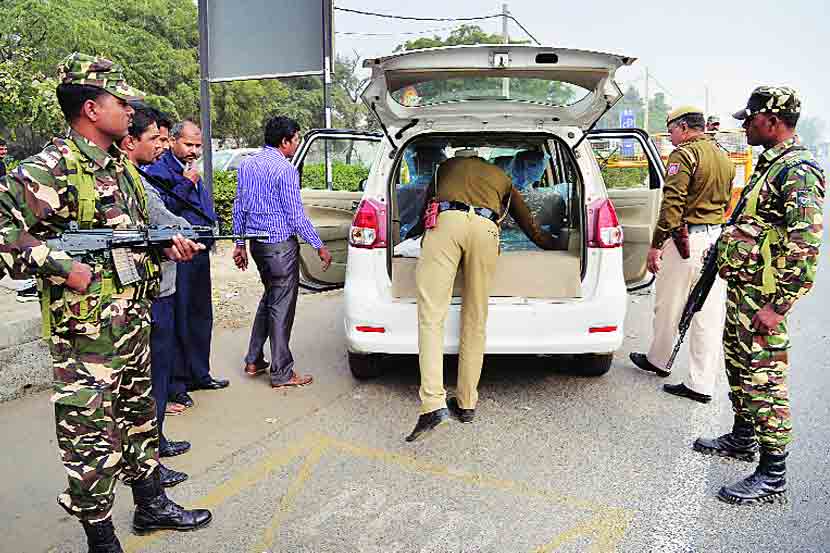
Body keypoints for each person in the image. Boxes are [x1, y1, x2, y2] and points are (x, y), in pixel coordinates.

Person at [0, 52, 211, 553]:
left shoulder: (122, 169)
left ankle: (151, 503)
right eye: (121, 102)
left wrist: (164, 244)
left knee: (139, 416)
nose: (130, 112)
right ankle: (101, 536)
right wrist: (63, 268)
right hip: (87, 336)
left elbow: (132, 235)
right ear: (92, 109)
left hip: (132, 318)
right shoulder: (48, 170)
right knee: (90, 433)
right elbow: (6, 234)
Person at [695, 86, 824, 505]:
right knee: (738, 366)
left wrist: (778, 305)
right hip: (746, 290)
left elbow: (806, 246)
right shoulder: (771, 164)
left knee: (765, 379)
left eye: (749, 119)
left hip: (764, 297)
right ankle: (742, 436)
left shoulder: (798, 169)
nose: (744, 125)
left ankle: (773, 475)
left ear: (772, 120)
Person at [406, 147, 557, 442]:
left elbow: (425, 210)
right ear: (481, 160)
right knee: (475, 318)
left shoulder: (444, 168)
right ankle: (466, 403)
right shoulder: (501, 175)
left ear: (460, 159)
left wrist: (410, 234)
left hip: (447, 223)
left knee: (431, 315)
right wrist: (554, 245)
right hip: (487, 229)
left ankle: (434, 404)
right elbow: (528, 224)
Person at [629, 106, 735, 403]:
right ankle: (701, 383)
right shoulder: (723, 155)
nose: (671, 135)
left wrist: (655, 244)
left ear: (685, 127)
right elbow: (726, 199)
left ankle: (659, 360)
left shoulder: (684, 155)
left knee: (668, 305)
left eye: (671, 128)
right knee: (708, 314)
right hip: (714, 239)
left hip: (685, 241)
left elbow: (672, 205)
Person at [231, 116, 331, 387]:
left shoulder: (247, 165)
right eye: (296, 139)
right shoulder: (285, 170)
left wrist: (239, 243)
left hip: (258, 246)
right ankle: (282, 372)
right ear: (285, 141)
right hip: (280, 247)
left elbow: (239, 205)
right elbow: (296, 216)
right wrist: (318, 245)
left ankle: (254, 360)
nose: (297, 144)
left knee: (270, 299)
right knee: (281, 307)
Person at [120, 103, 193, 466]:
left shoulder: (136, 177)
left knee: (157, 373)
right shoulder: (131, 180)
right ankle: (151, 459)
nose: (161, 146)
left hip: (156, 287)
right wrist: (185, 233)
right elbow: (166, 221)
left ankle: (157, 442)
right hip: (151, 292)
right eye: (155, 139)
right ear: (129, 142)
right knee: (152, 376)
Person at [146, 120, 228, 408]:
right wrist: (187, 183)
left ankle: (199, 373)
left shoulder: (191, 169)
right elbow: (162, 210)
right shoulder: (158, 170)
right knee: (178, 317)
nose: (193, 151)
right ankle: (177, 383)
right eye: (188, 144)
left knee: (199, 314)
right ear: (173, 142)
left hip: (200, 251)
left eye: (197, 145)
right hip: (178, 253)